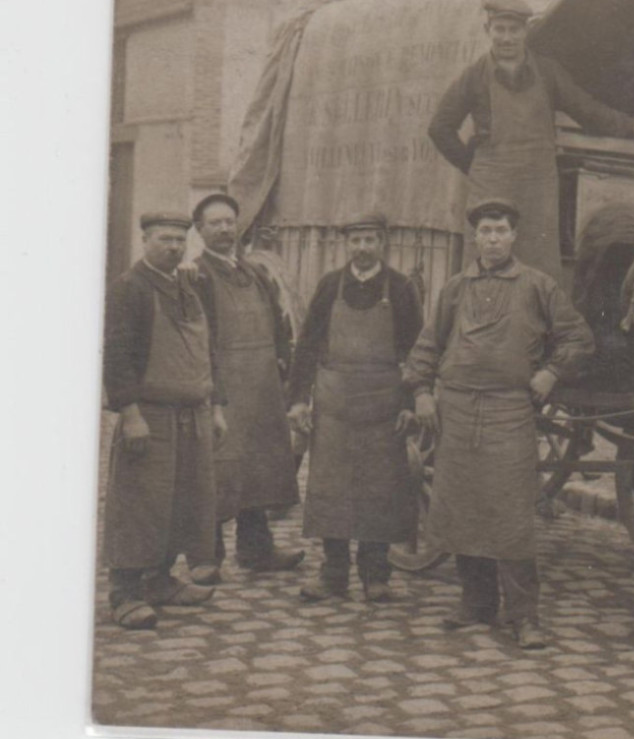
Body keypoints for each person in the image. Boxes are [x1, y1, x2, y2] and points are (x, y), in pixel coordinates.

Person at [404, 199, 594, 648]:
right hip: (458, 408)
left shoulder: (537, 285)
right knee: (461, 506)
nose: (492, 238)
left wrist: (550, 372)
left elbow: (578, 338)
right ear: (476, 238)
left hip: (510, 410)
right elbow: (428, 345)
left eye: (500, 231)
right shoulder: (454, 288)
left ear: (513, 237)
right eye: (485, 231)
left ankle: (525, 616)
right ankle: (477, 604)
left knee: (510, 513)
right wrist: (421, 391)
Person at [427, 0, 634, 279]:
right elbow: (439, 128)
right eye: (499, 29)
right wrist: (474, 165)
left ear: (525, 31)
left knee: (538, 267)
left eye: (514, 30)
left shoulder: (547, 71)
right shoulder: (474, 77)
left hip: (537, 185)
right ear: (487, 31)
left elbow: (587, 109)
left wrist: (633, 126)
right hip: (490, 184)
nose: (506, 38)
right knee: (486, 264)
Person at [286, 213, 424, 603]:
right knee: (332, 488)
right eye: (356, 240)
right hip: (334, 403)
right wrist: (298, 400)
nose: (362, 248)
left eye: (370, 240)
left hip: (383, 404)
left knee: (381, 490)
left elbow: (416, 351)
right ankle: (333, 574)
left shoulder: (400, 288)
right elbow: (307, 345)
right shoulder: (330, 286)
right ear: (347, 244)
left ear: (383, 243)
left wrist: (411, 402)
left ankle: (376, 576)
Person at [101, 212, 225, 628]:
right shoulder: (129, 288)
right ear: (145, 240)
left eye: (179, 240)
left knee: (182, 501)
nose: (173, 247)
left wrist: (217, 406)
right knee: (141, 503)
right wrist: (131, 414)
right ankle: (125, 592)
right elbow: (116, 357)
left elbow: (208, 350)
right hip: (150, 414)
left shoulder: (188, 285)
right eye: (164, 239)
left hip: (193, 413)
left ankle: (160, 580)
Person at [187, 192, 305, 578]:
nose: (224, 228)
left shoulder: (255, 272)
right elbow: (195, 338)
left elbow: (279, 325)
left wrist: (283, 365)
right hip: (223, 388)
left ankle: (257, 550)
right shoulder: (196, 276)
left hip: (261, 387)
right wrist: (212, 387)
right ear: (201, 231)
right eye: (215, 223)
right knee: (217, 471)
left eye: (229, 221)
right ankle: (208, 557)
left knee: (259, 468)